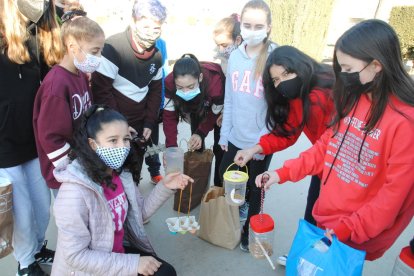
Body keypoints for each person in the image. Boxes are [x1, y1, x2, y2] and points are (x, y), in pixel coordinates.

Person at [256, 19, 414, 261]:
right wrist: (281, 173)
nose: (343, 77)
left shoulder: (405, 122)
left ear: (377, 65)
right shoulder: (353, 98)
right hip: (326, 219)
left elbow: (392, 196)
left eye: (349, 70)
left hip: (356, 232)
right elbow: (325, 149)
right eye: (341, 69)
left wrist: (347, 229)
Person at [51, 105, 193, 276]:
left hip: (115, 254)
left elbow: (139, 214)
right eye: (113, 140)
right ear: (93, 144)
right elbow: (76, 256)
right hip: (89, 269)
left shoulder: (121, 174)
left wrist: (165, 187)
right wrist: (133, 264)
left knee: (166, 273)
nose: (122, 146)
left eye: (126, 139)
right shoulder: (73, 193)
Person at [234, 46, 335, 227]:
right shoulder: (299, 95)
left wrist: (281, 174)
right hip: (322, 169)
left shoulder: (322, 97)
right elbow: (287, 132)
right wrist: (255, 149)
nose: (282, 83)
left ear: (301, 66)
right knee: (313, 218)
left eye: (286, 74)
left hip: (338, 171)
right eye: (276, 80)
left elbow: (325, 150)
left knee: (327, 226)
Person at [0, 0, 62, 274]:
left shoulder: (42, 31)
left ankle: (37, 249)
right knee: (21, 213)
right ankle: (25, 264)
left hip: (34, 141)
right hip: (4, 146)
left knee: (41, 206)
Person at [218, 0, 277, 252]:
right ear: (240, 24)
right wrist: (224, 133)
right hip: (234, 136)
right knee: (226, 178)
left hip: (261, 141)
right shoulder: (235, 56)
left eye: (259, 25)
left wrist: (261, 144)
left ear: (269, 27)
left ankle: (249, 230)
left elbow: (277, 108)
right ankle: (231, 220)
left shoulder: (276, 57)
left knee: (256, 187)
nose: (253, 30)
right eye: (248, 25)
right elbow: (229, 99)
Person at [91, 0, 165, 184]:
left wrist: (149, 122)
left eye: (156, 29)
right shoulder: (112, 48)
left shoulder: (156, 55)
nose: (151, 33)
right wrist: (121, 125)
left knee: (134, 176)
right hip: (114, 130)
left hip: (141, 128)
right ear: (133, 22)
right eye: (145, 26)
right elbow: (102, 92)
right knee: (113, 179)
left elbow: (155, 91)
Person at [33, 16, 105, 193]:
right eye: (94, 51)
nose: (99, 57)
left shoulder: (80, 75)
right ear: (72, 47)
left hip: (83, 163)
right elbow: (50, 137)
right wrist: (73, 168)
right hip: (67, 175)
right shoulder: (56, 86)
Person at [163, 54, 225, 186]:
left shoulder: (215, 84)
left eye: (190, 87)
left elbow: (214, 112)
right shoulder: (168, 82)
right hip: (195, 108)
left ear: (200, 78)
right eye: (180, 87)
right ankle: (197, 183)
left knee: (220, 146)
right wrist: (171, 148)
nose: (185, 92)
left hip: (218, 109)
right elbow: (169, 117)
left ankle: (218, 186)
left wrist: (202, 132)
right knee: (196, 143)